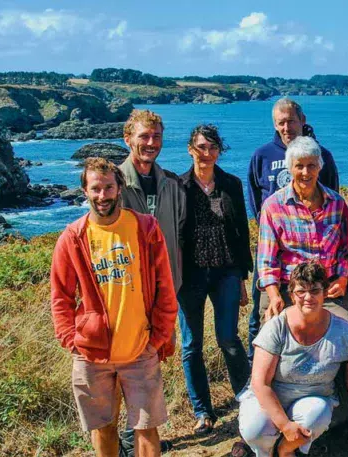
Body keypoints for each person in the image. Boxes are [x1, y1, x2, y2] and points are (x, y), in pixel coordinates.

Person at [50, 158, 178, 457]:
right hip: (92, 352)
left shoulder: (144, 227)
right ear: (84, 191)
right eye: (95, 188)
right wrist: (72, 341)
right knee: (104, 428)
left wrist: (157, 338)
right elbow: (61, 297)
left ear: (120, 187)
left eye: (109, 187)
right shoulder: (73, 237)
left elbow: (165, 288)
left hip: (139, 349)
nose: (102, 195)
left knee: (146, 428)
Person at [256, 135, 348, 452]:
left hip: (329, 290)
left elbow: (346, 252)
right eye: (299, 167)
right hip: (286, 288)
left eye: (310, 166)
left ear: (320, 166)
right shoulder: (274, 206)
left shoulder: (337, 203)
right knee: (270, 335)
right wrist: (273, 293)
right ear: (289, 168)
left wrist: (345, 278)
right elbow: (266, 260)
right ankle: (263, 420)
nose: (305, 173)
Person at [237, 261, 348, 457]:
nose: (308, 297)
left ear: (325, 293)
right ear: (291, 294)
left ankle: (284, 451)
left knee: (317, 415)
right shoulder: (277, 327)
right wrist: (285, 425)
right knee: (254, 429)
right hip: (271, 397)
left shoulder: (341, 330)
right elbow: (260, 383)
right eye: (301, 291)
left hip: (311, 399)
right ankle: (268, 452)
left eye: (315, 291)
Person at [246, 97, 340, 360]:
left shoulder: (322, 155)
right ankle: (256, 371)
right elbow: (255, 197)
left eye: (291, 121)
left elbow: (331, 193)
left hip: (315, 255)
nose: (286, 127)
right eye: (280, 123)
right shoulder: (262, 155)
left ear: (302, 121)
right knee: (262, 312)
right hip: (276, 246)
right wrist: (275, 225)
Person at [117, 108, 185, 454]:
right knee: (126, 365)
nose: (150, 143)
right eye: (143, 136)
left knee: (151, 364)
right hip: (127, 293)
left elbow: (178, 231)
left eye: (156, 136)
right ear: (128, 138)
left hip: (164, 291)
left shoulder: (171, 183)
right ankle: (129, 440)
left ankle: (141, 436)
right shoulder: (115, 183)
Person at [178, 124, 254, 434]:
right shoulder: (178, 186)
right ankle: (203, 412)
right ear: (190, 150)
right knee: (191, 344)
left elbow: (239, 233)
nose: (206, 153)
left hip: (226, 272)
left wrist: (242, 277)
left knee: (229, 339)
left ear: (218, 150)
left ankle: (248, 398)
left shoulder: (231, 184)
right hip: (190, 276)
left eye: (212, 147)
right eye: (200, 147)